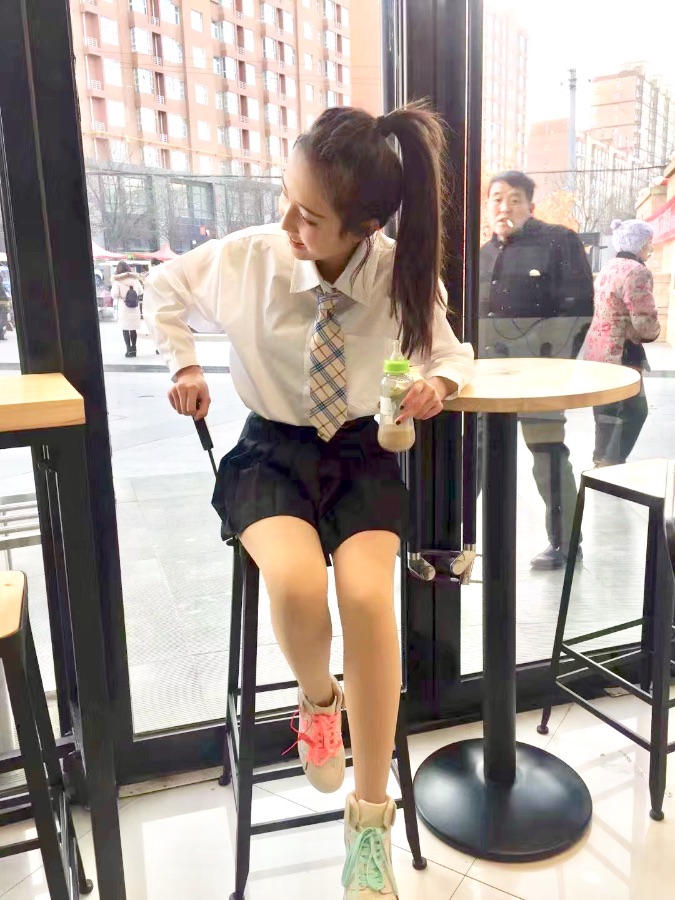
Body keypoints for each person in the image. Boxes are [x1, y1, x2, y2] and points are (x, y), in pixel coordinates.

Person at [144, 103, 473, 899]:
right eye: (286, 200)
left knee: (366, 597)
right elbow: (162, 285)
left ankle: (369, 824)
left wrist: (435, 384)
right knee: (294, 582)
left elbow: (450, 352)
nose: (287, 223)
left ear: (364, 227)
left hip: (363, 453)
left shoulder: (397, 270)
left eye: (310, 216)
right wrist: (182, 363)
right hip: (271, 450)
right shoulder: (248, 258)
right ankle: (319, 703)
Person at [479, 171, 594, 570]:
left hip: (540, 373)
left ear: (530, 206)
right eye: (496, 199)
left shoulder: (558, 241)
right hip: (487, 377)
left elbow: (578, 306)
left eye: (514, 199)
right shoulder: (482, 254)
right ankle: (453, 537)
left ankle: (565, 543)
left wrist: (553, 366)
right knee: (477, 451)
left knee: (547, 453)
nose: (504, 207)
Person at [580, 218, 660, 466]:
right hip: (621, 353)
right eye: (649, 242)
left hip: (597, 351)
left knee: (606, 412)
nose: (651, 248)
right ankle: (610, 462)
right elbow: (644, 321)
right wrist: (653, 332)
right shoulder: (637, 271)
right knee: (635, 411)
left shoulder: (609, 267)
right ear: (639, 243)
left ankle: (600, 460)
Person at [111, 261, 143, 357]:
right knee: (133, 329)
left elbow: (115, 294)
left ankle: (128, 350)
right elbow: (140, 292)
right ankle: (134, 350)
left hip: (124, 307)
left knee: (125, 329)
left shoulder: (117, 281)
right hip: (134, 307)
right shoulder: (135, 279)